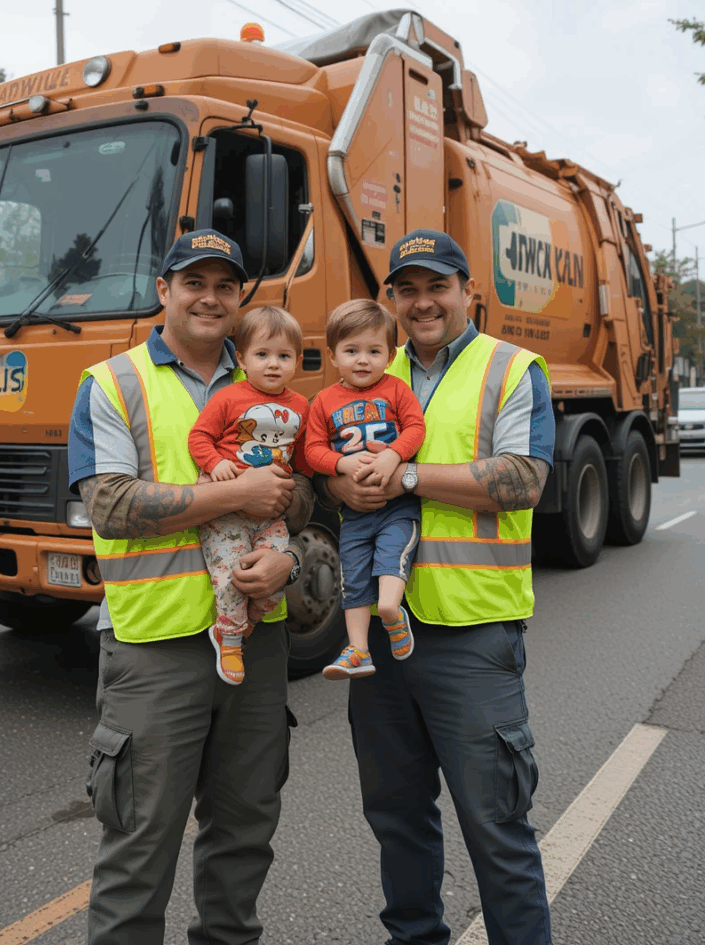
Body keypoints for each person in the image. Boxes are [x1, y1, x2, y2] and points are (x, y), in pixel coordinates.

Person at [68, 228, 313, 945]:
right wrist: (231, 500)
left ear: (240, 299)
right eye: (194, 282)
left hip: (255, 643)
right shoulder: (115, 382)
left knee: (244, 838)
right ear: (163, 291)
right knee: (139, 851)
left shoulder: (272, 379)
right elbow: (110, 504)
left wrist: (288, 563)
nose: (210, 297)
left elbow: (299, 501)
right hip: (154, 649)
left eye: (225, 285)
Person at [318, 229, 556, 944]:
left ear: (466, 291)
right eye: (407, 289)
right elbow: (321, 461)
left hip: (472, 634)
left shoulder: (510, 370)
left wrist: (409, 476)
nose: (422, 302)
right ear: (391, 299)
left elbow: (525, 481)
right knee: (396, 820)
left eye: (437, 286)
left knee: (496, 829)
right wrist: (338, 483)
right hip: (385, 648)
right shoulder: (366, 367)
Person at [188, 305, 311, 685]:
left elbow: (303, 463)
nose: (273, 364)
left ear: (297, 361)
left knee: (272, 580)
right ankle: (228, 637)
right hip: (224, 505)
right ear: (241, 359)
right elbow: (199, 437)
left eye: (284, 356)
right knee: (231, 576)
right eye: (262, 354)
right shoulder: (228, 398)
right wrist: (214, 464)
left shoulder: (302, 406)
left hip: (270, 511)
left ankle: (247, 623)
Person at [304, 299, 425, 679]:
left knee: (391, 563)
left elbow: (416, 429)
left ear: (390, 355)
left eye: (374, 351)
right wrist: (340, 464)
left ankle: (392, 614)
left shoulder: (396, 389)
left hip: (397, 509)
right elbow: (312, 450)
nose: (362, 360)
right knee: (352, 578)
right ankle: (358, 649)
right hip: (353, 515)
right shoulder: (323, 401)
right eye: (351, 350)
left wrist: (393, 456)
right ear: (332, 355)